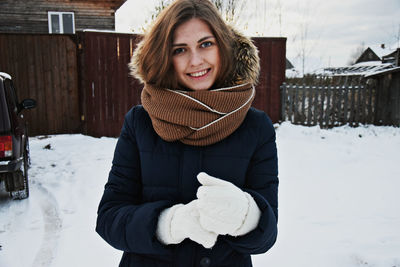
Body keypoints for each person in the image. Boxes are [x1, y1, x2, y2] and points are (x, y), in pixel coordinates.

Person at [95, 0, 278, 266]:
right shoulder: (140, 122)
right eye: (180, 49)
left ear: (224, 47)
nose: (195, 61)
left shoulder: (256, 127)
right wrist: (168, 225)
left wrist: (247, 216)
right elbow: (109, 219)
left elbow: (267, 235)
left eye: (206, 44)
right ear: (165, 58)